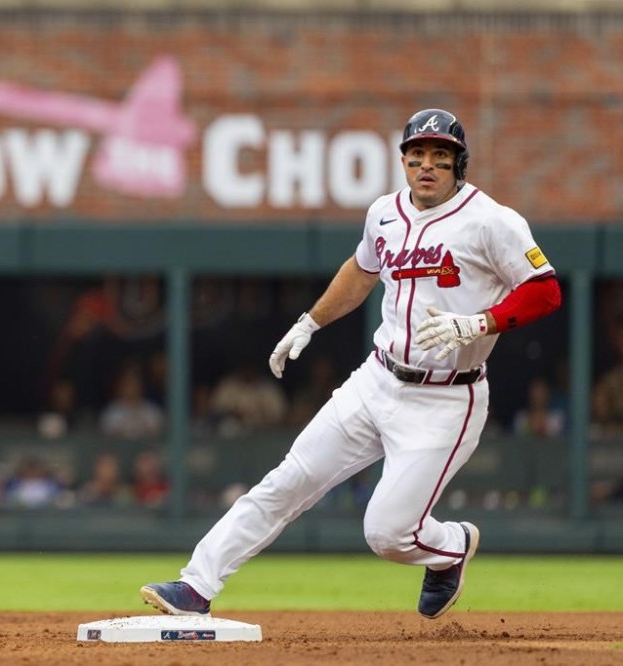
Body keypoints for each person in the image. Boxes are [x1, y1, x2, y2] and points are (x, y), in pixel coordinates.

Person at [141, 109, 561, 620]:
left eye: (440, 157)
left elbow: (545, 291)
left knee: (385, 534)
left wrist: (479, 324)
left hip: (447, 395)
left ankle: (450, 547)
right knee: (287, 480)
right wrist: (309, 322)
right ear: (404, 161)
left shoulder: (492, 221)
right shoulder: (384, 212)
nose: (427, 165)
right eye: (417, 156)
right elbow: (361, 272)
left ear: (459, 164)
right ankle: (196, 586)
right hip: (378, 379)